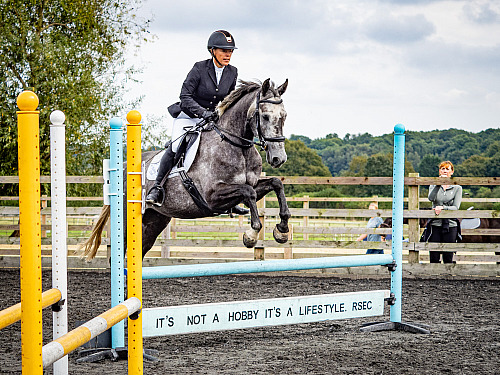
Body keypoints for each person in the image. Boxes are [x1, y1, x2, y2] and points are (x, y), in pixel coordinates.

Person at [146, 30, 247, 215]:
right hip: (188, 116)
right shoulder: (199, 68)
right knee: (177, 146)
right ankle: (157, 188)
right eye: (224, 50)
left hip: (211, 121)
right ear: (212, 50)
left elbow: (229, 101)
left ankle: (228, 200)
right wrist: (202, 112)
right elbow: (184, 96)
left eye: (231, 51)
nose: (228, 55)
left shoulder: (232, 72)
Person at [422, 160, 462, 263]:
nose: (445, 171)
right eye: (442, 168)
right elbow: (431, 198)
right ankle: (434, 277)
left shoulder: (457, 188)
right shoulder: (433, 185)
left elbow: (456, 207)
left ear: (451, 172)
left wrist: (443, 208)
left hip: (451, 224)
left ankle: (447, 276)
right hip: (435, 223)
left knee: (448, 254)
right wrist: (438, 185)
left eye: (447, 169)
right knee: (434, 254)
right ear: (439, 171)